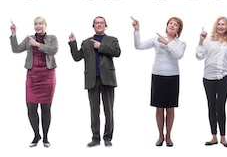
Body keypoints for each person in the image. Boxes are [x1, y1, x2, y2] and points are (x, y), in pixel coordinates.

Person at [133, 16, 186, 147]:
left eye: (176, 25)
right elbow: (138, 46)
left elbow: (178, 55)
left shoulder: (181, 43)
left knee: (170, 108)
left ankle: (168, 135)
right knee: (159, 107)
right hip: (158, 75)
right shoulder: (157, 39)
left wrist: (167, 43)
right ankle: (160, 135)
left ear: (179, 29)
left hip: (172, 76)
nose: (172, 26)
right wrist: (137, 30)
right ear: (166, 26)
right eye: (170, 23)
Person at [69, 16, 121, 147]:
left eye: (101, 23)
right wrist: (73, 43)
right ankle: (95, 138)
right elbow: (77, 57)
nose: (99, 25)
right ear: (93, 26)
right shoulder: (86, 42)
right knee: (94, 110)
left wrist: (101, 46)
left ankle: (108, 138)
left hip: (107, 79)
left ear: (105, 25)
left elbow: (117, 52)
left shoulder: (112, 40)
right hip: (92, 79)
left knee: (108, 110)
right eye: (96, 23)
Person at [10, 17, 58, 147]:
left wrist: (37, 45)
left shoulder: (52, 38)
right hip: (32, 76)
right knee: (31, 107)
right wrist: (14, 34)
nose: (38, 26)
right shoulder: (29, 38)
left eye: (40, 23)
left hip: (47, 76)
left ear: (45, 25)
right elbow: (16, 49)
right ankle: (36, 135)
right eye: (36, 24)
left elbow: (53, 50)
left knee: (46, 107)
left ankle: (46, 138)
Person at [196, 17, 227, 148]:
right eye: (219, 24)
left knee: (221, 106)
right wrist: (201, 41)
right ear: (215, 26)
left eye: (223, 24)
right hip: (209, 77)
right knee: (211, 106)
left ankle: (223, 137)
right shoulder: (208, 40)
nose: (221, 26)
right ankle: (213, 136)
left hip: (225, 76)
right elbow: (199, 56)